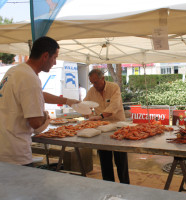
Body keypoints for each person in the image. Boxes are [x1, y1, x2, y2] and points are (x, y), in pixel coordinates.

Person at [0, 36, 79, 166]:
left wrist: (67, 100)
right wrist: (46, 116)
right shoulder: (30, 78)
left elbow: (37, 94)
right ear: (45, 56)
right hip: (15, 153)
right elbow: (36, 122)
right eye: (55, 57)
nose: (54, 63)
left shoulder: (15, 71)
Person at [84, 69, 129, 184]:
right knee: (105, 161)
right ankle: (108, 186)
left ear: (102, 78)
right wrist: (87, 113)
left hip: (118, 127)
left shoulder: (114, 88)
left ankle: (125, 186)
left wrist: (99, 116)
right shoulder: (91, 91)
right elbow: (85, 105)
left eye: (96, 82)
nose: (94, 85)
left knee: (121, 161)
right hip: (102, 130)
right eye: (92, 83)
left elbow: (114, 106)